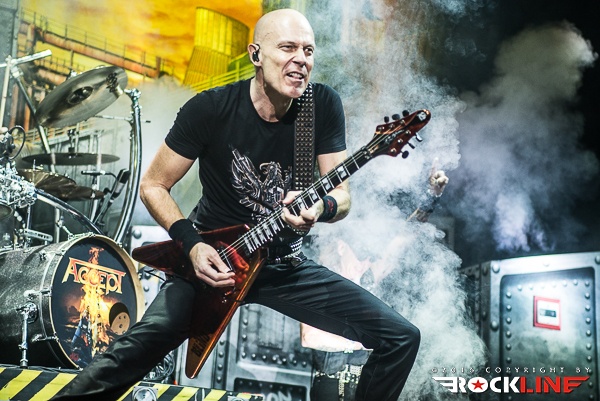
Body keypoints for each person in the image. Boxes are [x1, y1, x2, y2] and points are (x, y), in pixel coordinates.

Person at [51, 9, 420, 401]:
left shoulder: (321, 106)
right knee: (133, 352)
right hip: (213, 261)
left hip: (282, 265)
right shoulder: (211, 108)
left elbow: (342, 196)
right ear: (255, 54)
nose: (301, 59)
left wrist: (320, 209)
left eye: (309, 51)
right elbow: (153, 185)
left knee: (400, 337)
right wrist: (193, 246)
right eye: (288, 48)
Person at [301, 168, 448, 401]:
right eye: (359, 256)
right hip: (329, 382)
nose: (364, 263)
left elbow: (404, 236)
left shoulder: (370, 273)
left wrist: (431, 195)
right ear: (341, 247)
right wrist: (371, 337)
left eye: (368, 257)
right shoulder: (323, 278)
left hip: (365, 381)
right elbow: (310, 337)